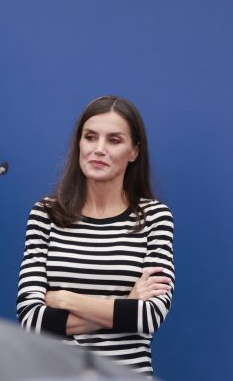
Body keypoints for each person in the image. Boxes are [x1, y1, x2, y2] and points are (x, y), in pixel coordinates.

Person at [17, 96, 174, 376]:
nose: (98, 149)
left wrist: (63, 298)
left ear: (134, 152)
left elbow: (149, 316)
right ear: (79, 143)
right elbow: (32, 320)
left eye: (114, 140)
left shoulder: (154, 217)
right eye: (90, 137)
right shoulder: (45, 214)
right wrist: (125, 305)